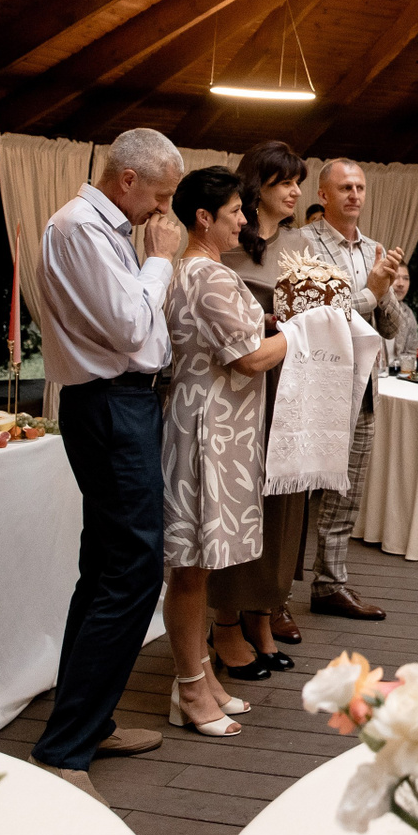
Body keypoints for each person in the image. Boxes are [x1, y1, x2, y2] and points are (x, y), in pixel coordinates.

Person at [28, 128, 183, 799]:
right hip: (110, 405)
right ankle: (63, 750)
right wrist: (162, 262)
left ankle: (87, 725)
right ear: (127, 181)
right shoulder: (80, 229)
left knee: (104, 571)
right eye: (161, 195)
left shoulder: (106, 230)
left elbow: (134, 323)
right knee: (133, 573)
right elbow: (129, 327)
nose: (163, 210)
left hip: (121, 404)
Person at [159, 167, 290, 737]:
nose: (244, 220)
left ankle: (201, 677)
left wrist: (272, 323)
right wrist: (304, 332)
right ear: (203, 218)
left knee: (200, 566)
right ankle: (189, 689)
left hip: (214, 426)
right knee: (190, 570)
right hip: (205, 431)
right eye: (235, 211)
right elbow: (250, 358)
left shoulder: (197, 271)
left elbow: (236, 336)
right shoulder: (206, 274)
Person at [209, 140, 313, 669]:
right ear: (258, 186)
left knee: (282, 496)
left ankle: (262, 611)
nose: (295, 192)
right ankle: (225, 618)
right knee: (239, 496)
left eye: (298, 182)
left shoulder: (302, 244)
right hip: (239, 385)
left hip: (289, 384)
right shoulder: (225, 244)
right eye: (285, 182)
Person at [302, 159, 405, 621]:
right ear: (323, 195)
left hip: (364, 388)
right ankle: (273, 600)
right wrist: (372, 289)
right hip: (318, 387)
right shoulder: (304, 244)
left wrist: (383, 287)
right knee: (300, 496)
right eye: (345, 187)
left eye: (360, 187)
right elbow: (319, 317)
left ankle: (330, 585)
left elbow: (391, 327)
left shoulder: (373, 249)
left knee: (346, 496)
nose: (354, 195)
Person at [385, 263, 418, 370]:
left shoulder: (408, 313)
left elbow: (412, 353)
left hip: (398, 374)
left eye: (406, 278)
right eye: (395, 277)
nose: (401, 284)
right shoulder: (372, 309)